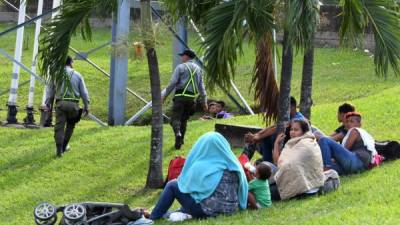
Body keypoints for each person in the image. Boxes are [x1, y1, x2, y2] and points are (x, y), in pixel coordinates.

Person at [150, 132, 248, 221]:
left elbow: (185, 186)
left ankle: (154, 217)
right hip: (231, 210)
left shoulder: (201, 166)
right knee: (193, 200)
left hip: (207, 212)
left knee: (172, 186)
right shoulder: (234, 164)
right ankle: (170, 213)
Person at [161, 49, 208, 149]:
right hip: (191, 99)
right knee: (184, 120)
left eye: (183, 55)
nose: (181, 57)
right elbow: (201, 87)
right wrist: (204, 102)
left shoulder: (180, 67)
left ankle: (178, 133)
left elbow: (172, 83)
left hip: (180, 97)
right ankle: (181, 141)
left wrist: (164, 96)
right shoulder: (198, 70)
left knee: (175, 119)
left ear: (187, 56)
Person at [45, 56, 90, 157]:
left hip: (60, 104)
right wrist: (87, 105)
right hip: (74, 105)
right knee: (70, 126)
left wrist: (48, 104)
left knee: (59, 127)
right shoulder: (78, 75)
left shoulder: (56, 74)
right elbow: (84, 93)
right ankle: (64, 146)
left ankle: (58, 149)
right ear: (71, 63)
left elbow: (50, 92)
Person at [271, 120, 324, 200]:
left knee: (265, 191)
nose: (292, 132)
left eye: (296, 130)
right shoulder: (305, 142)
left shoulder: (305, 144)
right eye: (291, 129)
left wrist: (276, 144)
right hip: (311, 186)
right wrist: (276, 144)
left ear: (303, 132)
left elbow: (279, 164)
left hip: (302, 190)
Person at [244, 96, 307, 162]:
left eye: (286, 108)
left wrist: (258, 136)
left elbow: (277, 128)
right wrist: (256, 135)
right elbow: (273, 126)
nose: (282, 110)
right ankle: (244, 163)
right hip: (281, 148)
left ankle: (268, 163)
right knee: (254, 141)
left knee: (270, 136)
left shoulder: (298, 119)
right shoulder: (287, 118)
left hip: (292, 150)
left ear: (293, 107)